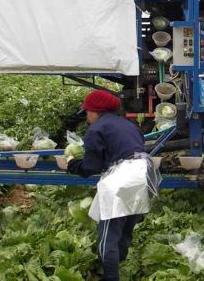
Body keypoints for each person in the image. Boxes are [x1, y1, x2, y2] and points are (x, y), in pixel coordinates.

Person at [67, 90, 146, 281]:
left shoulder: (96, 130)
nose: (87, 117)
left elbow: (90, 167)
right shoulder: (129, 125)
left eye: (87, 112)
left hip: (121, 179)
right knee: (126, 226)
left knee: (107, 234)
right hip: (141, 175)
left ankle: (110, 277)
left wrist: (72, 165)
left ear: (95, 111)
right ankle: (120, 265)